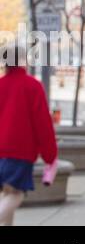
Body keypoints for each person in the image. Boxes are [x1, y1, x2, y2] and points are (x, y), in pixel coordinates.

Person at [0, 43, 59, 225]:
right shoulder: (32, 86)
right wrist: (50, 155)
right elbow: (42, 123)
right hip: (19, 151)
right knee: (16, 194)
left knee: (7, 193)